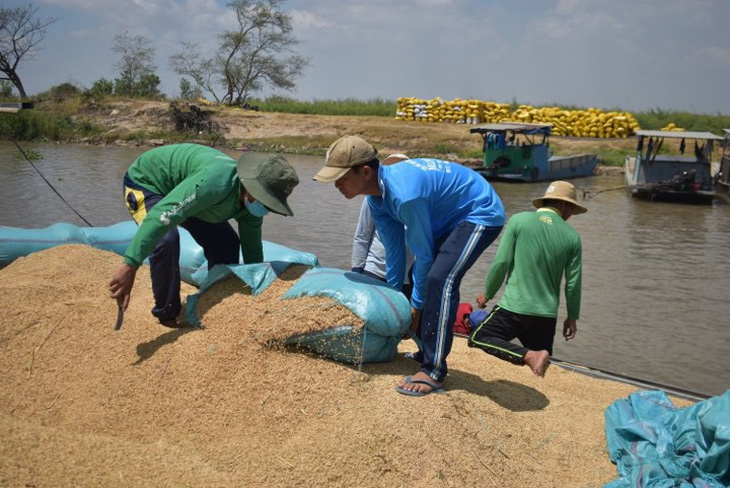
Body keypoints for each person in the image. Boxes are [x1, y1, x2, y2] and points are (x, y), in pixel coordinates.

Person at [314, 135, 505, 396]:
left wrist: (414, 310)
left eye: (342, 177)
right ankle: (426, 351)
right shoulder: (376, 200)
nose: (336, 184)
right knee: (418, 275)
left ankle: (434, 371)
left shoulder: (405, 196)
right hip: (449, 217)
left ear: (366, 171)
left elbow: (423, 253)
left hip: (478, 211)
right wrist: (396, 305)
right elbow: (395, 254)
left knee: (441, 279)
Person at [109, 143, 299, 327]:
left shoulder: (251, 209)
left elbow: (252, 250)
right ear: (251, 191)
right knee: (166, 240)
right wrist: (130, 265)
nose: (266, 209)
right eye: (266, 203)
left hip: (191, 193)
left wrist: (257, 290)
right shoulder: (215, 184)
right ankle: (167, 313)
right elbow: (162, 217)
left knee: (226, 243)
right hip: (149, 183)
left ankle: (211, 303)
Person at [468, 180, 586, 377]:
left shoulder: (519, 221)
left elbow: (501, 263)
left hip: (514, 309)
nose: (570, 216)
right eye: (572, 210)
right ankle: (534, 358)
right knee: (541, 368)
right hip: (546, 317)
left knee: (479, 337)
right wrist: (572, 317)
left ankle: (528, 356)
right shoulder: (573, 237)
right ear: (565, 205)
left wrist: (487, 294)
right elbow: (573, 283)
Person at [351, 154, 414, 297]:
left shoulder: (415, 201)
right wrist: (357, 270)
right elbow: (362, 235)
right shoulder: (372, 197)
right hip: (374, 272)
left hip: (405, 278)